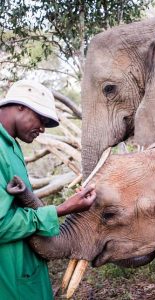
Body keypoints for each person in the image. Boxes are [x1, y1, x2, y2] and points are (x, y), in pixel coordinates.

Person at [0, 80, 96, 300]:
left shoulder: (10, 145)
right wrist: (61, 209)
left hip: (25, 272)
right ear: (19, 106)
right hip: (8, 281)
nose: (42, 129)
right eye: (41, 119)